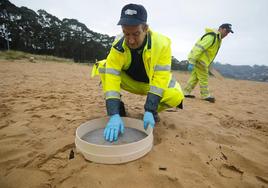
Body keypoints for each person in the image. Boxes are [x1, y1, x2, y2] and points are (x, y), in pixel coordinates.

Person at [91, 4, 184, 142]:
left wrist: (150, 109)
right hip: (131, 82)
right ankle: (119, 112)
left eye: (136, 34)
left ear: (145, 28)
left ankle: (152, 113)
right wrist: (113, 114)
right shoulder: (118, 45)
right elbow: (111, 76)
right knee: (104, 67)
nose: (131, 40)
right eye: (126, 33)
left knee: (176, 96)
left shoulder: (162, 44)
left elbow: (161, 78)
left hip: (151, 85)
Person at [183, 23, 234, 103]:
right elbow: (198, 48)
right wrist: (192, 61)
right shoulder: (212, 37)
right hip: (200, 60)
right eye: (226, 31)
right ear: (220, 29)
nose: (226, 34)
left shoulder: (217, 39)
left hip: (201, 61)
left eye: (228, 32)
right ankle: (205, 95)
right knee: (204, 78)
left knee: (195, 78)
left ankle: (185, 92)